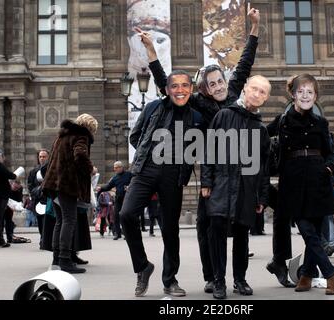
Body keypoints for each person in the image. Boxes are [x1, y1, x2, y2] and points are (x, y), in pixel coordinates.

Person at [138, 5, 261, 294]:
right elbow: (166, 84)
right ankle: (212, 277)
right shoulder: (197, 103)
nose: (218, 86)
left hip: (240, 167)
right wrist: (152, 54)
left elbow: (245, 62)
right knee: (208, 224)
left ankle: (239, 278)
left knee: (241, 226)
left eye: (220, 81)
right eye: (212, 83)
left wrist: (254, 28)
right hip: (212, 172)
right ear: (204, 88)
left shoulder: (233, 95)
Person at [120, 70, 203, 297]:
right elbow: (135, 136)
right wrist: (150, 153)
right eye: (174, 86)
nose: (180, 90)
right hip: (146, 170)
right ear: (167, 90)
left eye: (185, 85)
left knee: (170, 229)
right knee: (126, 215)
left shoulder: (196, 117)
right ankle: (143, 267)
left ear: (191, 89)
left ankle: (170, 280)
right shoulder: (152, 108)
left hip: (173, 175)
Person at [267, 74, 334, 295]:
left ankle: (307, 275)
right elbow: (257, 136)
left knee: (314, 233)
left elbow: (332, 154)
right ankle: (330, 273)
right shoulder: (282, 121)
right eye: (301, 91)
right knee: (307, 230)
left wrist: (328, 168)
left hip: (318, 181)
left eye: (310, 92)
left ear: (315, 96)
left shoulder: (320, 122)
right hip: (292, 181)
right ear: (293, 94)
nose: (305, 95)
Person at [201, 75, 271, 299]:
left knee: (242, 235)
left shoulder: (260, 129)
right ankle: (219, 281)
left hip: (246, 188)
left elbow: (263, 166)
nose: (257, 94)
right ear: (244, 89)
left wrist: (261, 197)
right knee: (217, 233)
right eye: (254, 89)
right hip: (221, 184)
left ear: (266, 98)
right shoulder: (223, 115)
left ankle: (240, 279)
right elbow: (209, 150)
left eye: (263, 92)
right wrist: (206, 181)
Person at [42, 113, 98, 273]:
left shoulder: (62, 136)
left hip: (54, 184)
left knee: (60, 221)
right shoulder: (81, 136)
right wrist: (90, 169)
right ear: (89, 128)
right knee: (69, 220)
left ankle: (57, 259)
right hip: (67, 184)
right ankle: (65, 260)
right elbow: (80, 154)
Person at [96, 161, 133, 240]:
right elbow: (108, 186)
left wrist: (130, 186)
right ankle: (118, 234)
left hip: (127, 199)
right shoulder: (115, 178)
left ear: (121, 167)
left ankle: (126, 234)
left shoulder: (129, 174)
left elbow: (136, 181)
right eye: (114, 168)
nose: (114, 169)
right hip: (118, 199)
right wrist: (101, 188)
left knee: (124, 216)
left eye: (116, 168)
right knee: (116, 216)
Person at [27, 149, 50, 248]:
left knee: (48, 221)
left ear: (48, 157)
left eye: (44, 156)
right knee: (40, 222)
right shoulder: (33, 171)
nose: (42, 158)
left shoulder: (51, 170)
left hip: (49, 199)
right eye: (40, 157)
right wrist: (35, 193)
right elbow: (30, 186)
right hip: (38, 200)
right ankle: (42, 238)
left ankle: (47, 240)